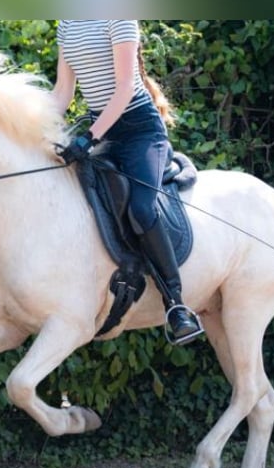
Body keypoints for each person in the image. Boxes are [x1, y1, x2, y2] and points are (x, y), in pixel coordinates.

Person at [52, 20, 203, 344]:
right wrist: (36, 130)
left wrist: (90, 138)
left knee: (141, 209)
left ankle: (176, 304)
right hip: (102, 132)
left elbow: (124, 88)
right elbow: (63, 91)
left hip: (139, 133)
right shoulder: (67, 24)